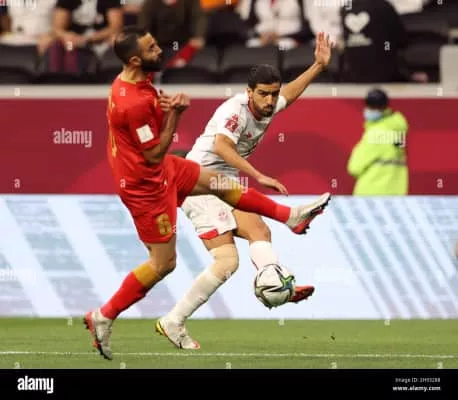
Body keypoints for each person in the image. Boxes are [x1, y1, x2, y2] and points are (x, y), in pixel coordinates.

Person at [83, 26, 332, 360]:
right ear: (134, 60)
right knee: (171, 263)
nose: (160, 49)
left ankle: (289, 223)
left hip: (167, 169)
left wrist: (318, 66)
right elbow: (156, 152)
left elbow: (287, 93)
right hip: (146, 185)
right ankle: (110, 316)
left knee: (244, 211)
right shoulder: (136, 102)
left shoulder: (136, 82)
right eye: (151, 47)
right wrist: (175, 115)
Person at [155, 32, 334, 350]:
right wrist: (258, 175)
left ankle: (276, 284)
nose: (270, 101)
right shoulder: (234, 110)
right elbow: (222, 147)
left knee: (259, 230)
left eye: (272, 94)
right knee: (227, 263)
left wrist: (318, 65)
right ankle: (174, 320)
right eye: (263, 94)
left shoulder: (268, 104)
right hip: (198, 184)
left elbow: (289, 94)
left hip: (223, 185)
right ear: (248, 91)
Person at [347, 88, 409, 195]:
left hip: (371, 194)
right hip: (396, 193)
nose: (369, 110)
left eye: (373, 107)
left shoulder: (376, 133)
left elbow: (354, 167)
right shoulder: (398, 131)